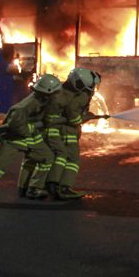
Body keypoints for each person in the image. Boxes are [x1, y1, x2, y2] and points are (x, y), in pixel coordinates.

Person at [0, 74, 61, 206]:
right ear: (47, 93)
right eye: (55, 93)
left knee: (47, 157)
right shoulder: (23, 108)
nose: (57, 95)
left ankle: (33, 188)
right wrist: (34, 127)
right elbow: (17, 127)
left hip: (32, 137)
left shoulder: (45, 101)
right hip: (14, 139)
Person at [43, 67, 102, 199]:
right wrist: (81, 119)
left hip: (62, 128)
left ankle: (52, 184)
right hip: (68, 129)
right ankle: (62, 187)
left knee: (62, 156)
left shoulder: (65, 90)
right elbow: (72, 111)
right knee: (72, 159)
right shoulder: (82, 94)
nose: (94, 88)